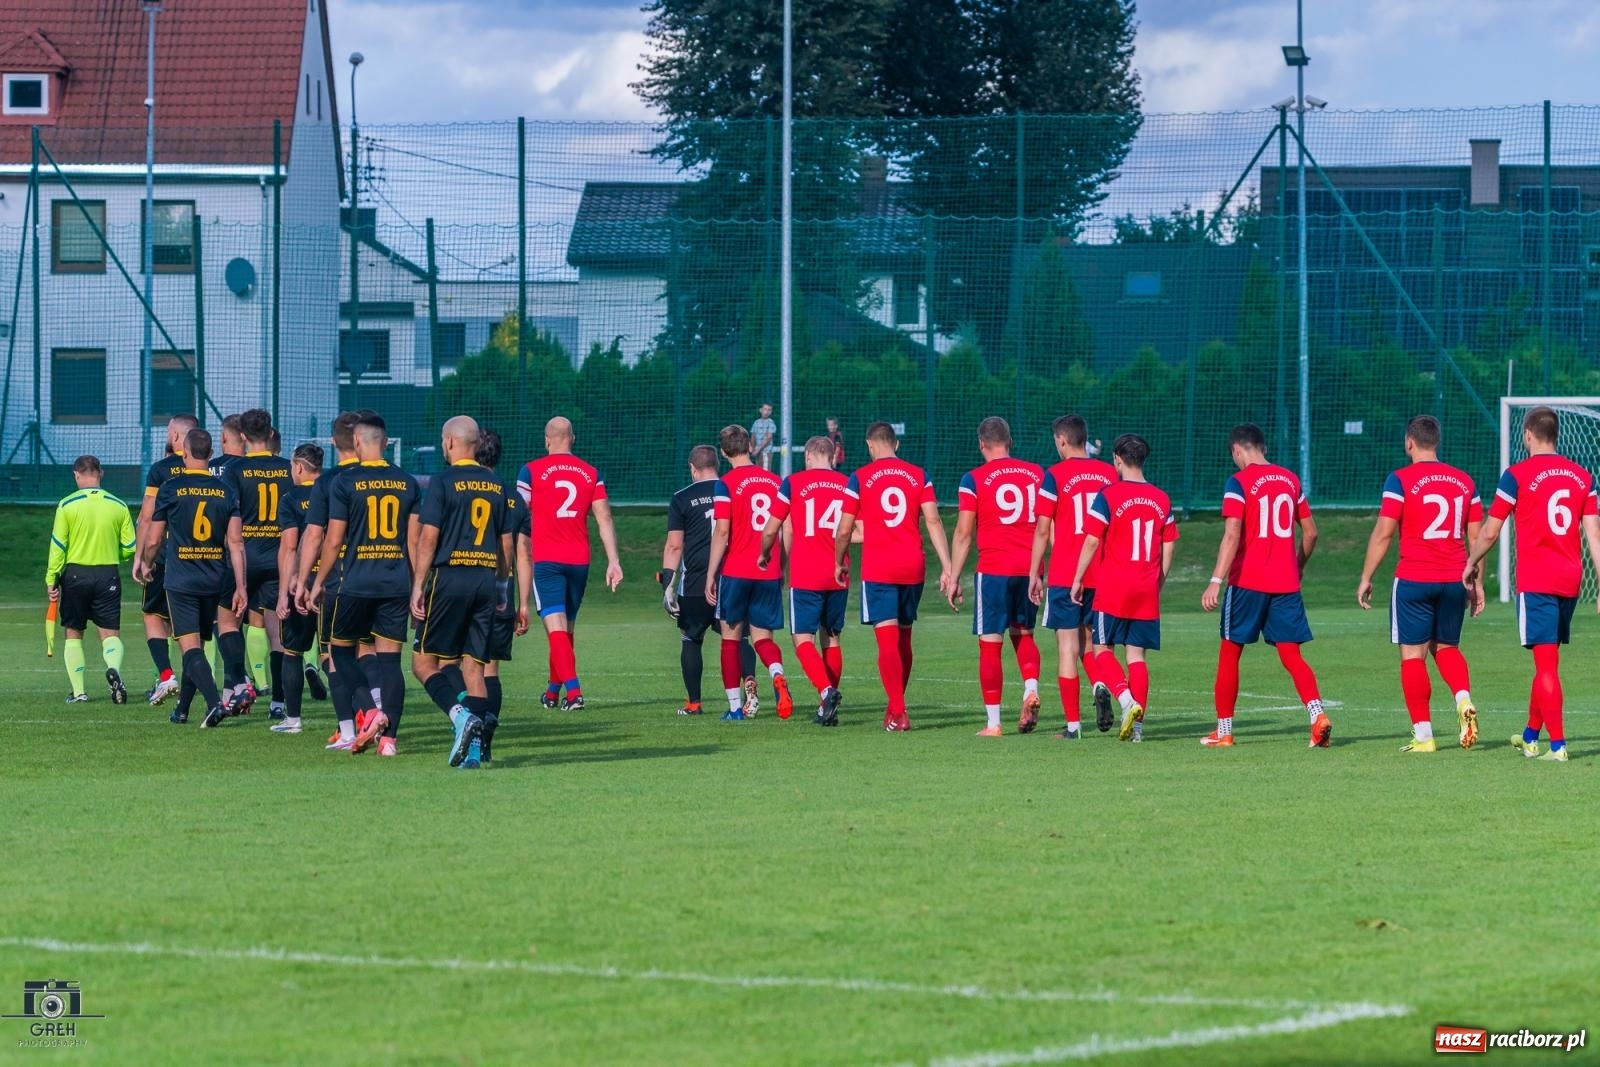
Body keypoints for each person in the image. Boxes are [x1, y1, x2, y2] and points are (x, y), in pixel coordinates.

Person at [1464, 405, 1600, 762]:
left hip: (1537, 580)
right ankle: (1529, 735)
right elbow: (1595, 536)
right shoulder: (1583, 476)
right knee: (1547, 663)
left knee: (1546, 668)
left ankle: (1557, 746)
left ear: (1527, 434)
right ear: (1556, 434)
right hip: (1570, 580)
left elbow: (1491, 531)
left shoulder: (1517, 474)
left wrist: (1471, 562)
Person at [1356, 415, 1485, 753]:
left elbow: (1384, 533)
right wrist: (1478, 582)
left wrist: (1367, 576)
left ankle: (1424, 735)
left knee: (1413, 656)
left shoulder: (1400, 479)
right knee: (1446, 648)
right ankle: (1463, 699)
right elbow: (1477, 536)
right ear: (1437, 442)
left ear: (1409, 442)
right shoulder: (1464, 481)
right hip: (1455, 577)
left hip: (1414, 578)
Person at [1200, 423, 1331, 748]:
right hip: (1285, 583)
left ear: (1237, 450)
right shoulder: (1290, 480)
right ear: (1264, 447)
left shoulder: (1239, 482)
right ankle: (1317, 715)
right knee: (1291, 654)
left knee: (1230, 653)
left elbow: (1232, 533)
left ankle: (1225, 730)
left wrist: (1216, 580)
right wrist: (1296, 566)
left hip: (1247, 582)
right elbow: (1311, 532)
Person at [306, 413, 421, 754]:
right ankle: (389, 741)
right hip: (396, 584)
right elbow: (414, 544)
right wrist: (417, 588)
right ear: (386, 443)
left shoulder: (345, 482)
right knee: (389, 663)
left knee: (338, 653)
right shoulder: (408, 482)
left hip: (355, 583)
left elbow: (332, 540)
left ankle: (370, 712)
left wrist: (318, 581)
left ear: (356, 443)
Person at [834, 421, 952, 732]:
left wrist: (839, 560)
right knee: (904, 638)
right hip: (912, 565)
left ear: (870, 445)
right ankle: (894, 708)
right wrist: (948, 566)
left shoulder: (859, 477)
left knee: (886, 642)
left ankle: (899, 711)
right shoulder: (918, 475)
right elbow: (934, 520)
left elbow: (845, 528)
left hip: (879, 567)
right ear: (895, 444)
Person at [413, 416, 514, 769]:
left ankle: (460, 718)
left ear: (452, 443)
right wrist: (503, 587)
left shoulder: (442, 482)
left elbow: (428, 537)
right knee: (475, 668)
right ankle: (473, 754)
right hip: (486, 580)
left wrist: (418, 585)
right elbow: (505, 543)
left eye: (443, 440)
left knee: (423, 662)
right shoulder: (496, 484)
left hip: (450, 577)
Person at [1070, 434, 1179, 743]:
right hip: (1146, 586)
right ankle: (1138, 730)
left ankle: (1126, 701)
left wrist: (1078, 578)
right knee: (1137, 657)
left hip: (1114, 586)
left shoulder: (1109, 495)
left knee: (1101, 649)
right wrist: (1159, 579)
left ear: (1117, 458)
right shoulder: (1161, 498)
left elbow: (1092, 540)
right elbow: (1168, 544)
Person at [137, 427, 248, 729]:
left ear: (184, 453)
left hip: (181, 580)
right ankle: (182, 709)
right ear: (211, 455)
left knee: (190, 648)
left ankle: (214, 704)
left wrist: (146, 563)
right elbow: (236, 543)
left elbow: (154, 539)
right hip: (215, 578)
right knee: (195, 645)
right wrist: (240, 585)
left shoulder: (171, 488)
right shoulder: (226, 490)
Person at [515, 416, 624, 711]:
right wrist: (613, 560)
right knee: (565, 629)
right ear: (572, 439)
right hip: (579, 560)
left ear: (547, 439)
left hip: (547, 559)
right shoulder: (591, 473)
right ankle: (552, 692)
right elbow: (604, 518)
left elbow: (516, 515)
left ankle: (574, 694)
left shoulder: (531, 471)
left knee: (556, 628)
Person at [947, 416, 1045, 737]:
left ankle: (993, 723)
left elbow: (963, 532)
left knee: (990, 645)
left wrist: (953, 574)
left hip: (994, 569)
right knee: (1025, 635)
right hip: (1029, 568)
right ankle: (1030, 688)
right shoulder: (1036, 474)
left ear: (981, 444)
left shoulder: (974, 478)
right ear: (1010, 442)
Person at [1028, 414, 1116, 738]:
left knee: (1067, 648)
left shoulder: (1054, 475)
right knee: (1094, 645)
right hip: (1102, 572)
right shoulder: (1109, 473)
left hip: (1067, 573)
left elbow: (1041, 529)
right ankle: (1102, 685)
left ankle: (1074, 726)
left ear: (1061, 441)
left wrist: (1035, 573)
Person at [292, 412, 371, 747]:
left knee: (332, 655)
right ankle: (376, 716)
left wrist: (304, 579)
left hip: (340, 581)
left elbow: (316, 537)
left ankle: (351, 728)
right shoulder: (387, 478)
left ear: (336, 442)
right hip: (381, 579)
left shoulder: (329, 482)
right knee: (368, 652)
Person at [760, 436, 851, 725]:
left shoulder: (793, 483)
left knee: (802, 639)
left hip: (807, 572)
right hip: (839, 571)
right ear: (833, 456)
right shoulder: (847, 483)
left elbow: (772, 528)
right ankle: (827, 705)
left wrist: (765, 554)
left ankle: (826, 693)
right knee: (832, 638)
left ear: (809, 455)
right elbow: (854, 529)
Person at [705, 424, 792, 720]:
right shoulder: (775, 482)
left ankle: (734, 709)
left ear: (723, 451)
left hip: (736, 571)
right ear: (750, 445)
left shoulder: (725, 484)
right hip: (766, 572)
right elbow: (785, 530)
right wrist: (780, 566)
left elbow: (722, 532)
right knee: (763, 638)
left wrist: (710, 574)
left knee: (731, 639)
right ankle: (778, 676)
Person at [660, 445, 755, 715]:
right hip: (732, 574)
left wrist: (668, 586)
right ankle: (748, 687)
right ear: (717, 465)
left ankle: (694, 703)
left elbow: (674, 546)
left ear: (692, 468)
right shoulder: (732, 489)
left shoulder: (681, 498)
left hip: (695, 582)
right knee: (738, 638)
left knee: (691, 639)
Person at [46, 455, 136, 705]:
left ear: (76, 474)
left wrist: (51, 579)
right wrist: (113, 555)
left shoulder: (67, 505)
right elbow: (130, 547)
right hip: (108, 574)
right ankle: (114, 671)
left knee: (74, 632)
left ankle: (79, 693)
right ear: (101, 473)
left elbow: (58, 546)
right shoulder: (118, 505)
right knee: (110, 634)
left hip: (75, 575)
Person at [223, 409, 293, 718]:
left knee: (229, 623)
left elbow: (230, 521)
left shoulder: (235, 470)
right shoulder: (289, 469)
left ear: (242, 437)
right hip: (278, 557)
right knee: (277, 634)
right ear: (270, 434)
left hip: (244, 557)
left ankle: (236, 688)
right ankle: (278, 702)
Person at [132, 413, 196, 705]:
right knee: (194, 628)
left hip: (168, 556)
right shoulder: (213, 470)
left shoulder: (161, 470)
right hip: (205, 559)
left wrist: (141, 557)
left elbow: (147, 517)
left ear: (176, 437)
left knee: (153, 614)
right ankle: (199, 686)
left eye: (170, 431)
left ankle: (167, 674)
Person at [471, 429, 521, 761]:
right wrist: (524, 603)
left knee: (463, 666)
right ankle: (487, 737)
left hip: (466, 585)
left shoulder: (462, 487)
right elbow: (522, 552)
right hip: (503, 590)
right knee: (491, 670)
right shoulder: (514, 497)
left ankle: (468, 729)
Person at [271, 441, 325, 735]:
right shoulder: (333, 491)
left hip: (300, 585)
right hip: (330, 583)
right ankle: (357, 716)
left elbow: (289, 547)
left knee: (292, 652)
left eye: (292, 465)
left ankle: (293, 719)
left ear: (300, 467)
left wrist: (284, 592)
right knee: (335, 655)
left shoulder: (291, 499)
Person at [750, 403, 777, 471]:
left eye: (769, 410)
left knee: (766, 471)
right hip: (757, 452)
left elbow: (768, 438)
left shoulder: (770, 422)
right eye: (765, 409)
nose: (766, 412)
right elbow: (753, 436)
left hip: (766, 452)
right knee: (758, 471)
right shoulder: (756, 422)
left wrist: (757, 450)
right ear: (760, 410)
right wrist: (753, 449)